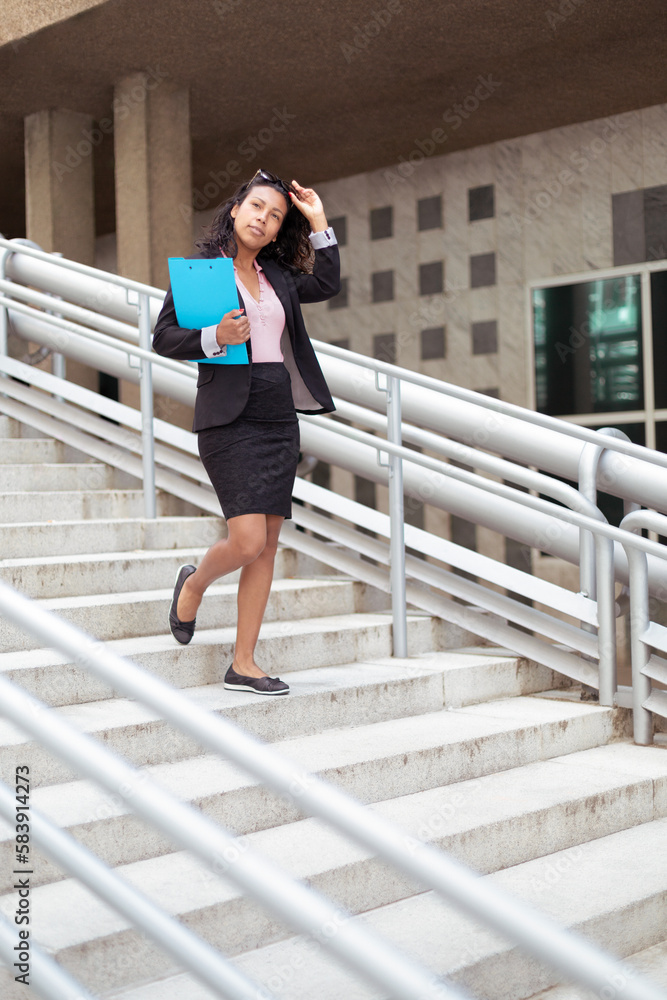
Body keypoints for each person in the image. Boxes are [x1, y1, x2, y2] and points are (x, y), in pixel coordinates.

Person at [152, 169, 339, 695]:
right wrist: (214, 336)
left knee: (268, 544)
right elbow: (163, 336)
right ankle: (193, 584)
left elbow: (326, 282)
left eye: (275, 215)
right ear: (235, 212)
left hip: (279, 416)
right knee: (247, 538)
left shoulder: (278, 276)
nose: (264, 218)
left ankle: (244, 663)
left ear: (280, 230)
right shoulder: (202, 274)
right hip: (229, 417)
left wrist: (318, 219)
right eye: (257, 207)